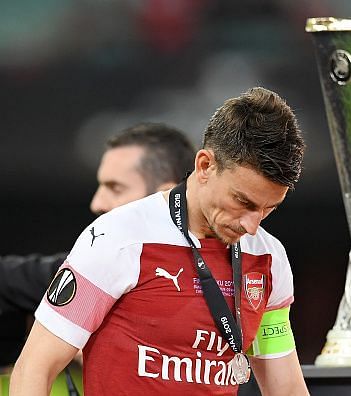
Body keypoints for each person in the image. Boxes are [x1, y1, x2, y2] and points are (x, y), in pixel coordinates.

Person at [10, 87, 310, 395]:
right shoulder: (118, 238)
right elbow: (34, 369)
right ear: (205, 166)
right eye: (243, 202)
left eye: (268, 209)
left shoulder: (267, 257)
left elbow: (285, 388)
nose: (252, 225)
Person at [0, 122, 196, 366]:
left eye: (115, 188)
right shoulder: (91, 271)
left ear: (164, 197)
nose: (97, 203)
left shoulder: (239, 274)